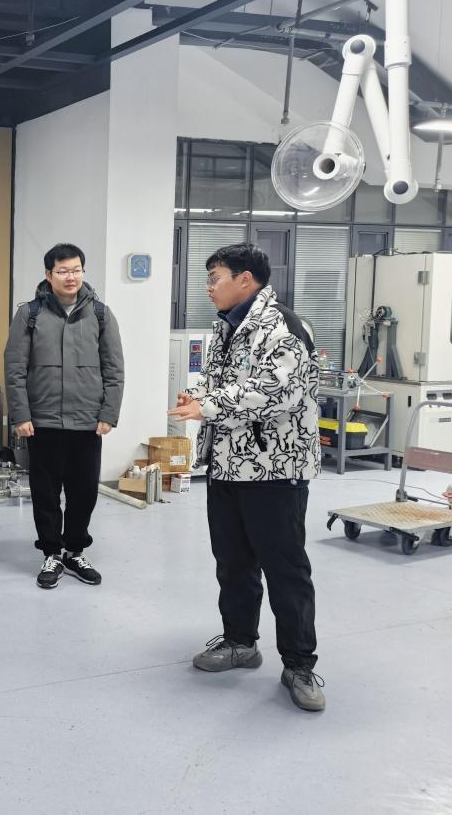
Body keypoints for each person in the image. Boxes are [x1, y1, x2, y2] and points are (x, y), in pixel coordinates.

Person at [168, 242, 324, 713]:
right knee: (233, 562)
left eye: (214, 277)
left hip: (275, 469)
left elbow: (276, 391)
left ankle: (299, 664)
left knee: (285, 569)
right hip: (227, 465)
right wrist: (195, 394)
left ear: (245, 280)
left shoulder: (285, 327)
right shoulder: (226, 326)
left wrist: (209, 405)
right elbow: (215, 378)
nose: (208, 287)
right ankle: (240, 641)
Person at [3, 243, 124, 589]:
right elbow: (14, 368)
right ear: (49, 274)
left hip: (88, 420)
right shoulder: (29, 314)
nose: (71, 277)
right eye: (63, 271)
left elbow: (114, 368)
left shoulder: (100, 314)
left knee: (84, 491)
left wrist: (109, 413)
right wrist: (21, 415)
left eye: (76, 270)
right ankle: (51, 553)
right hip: (42, 420)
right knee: (45, 492)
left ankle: (74, 550)